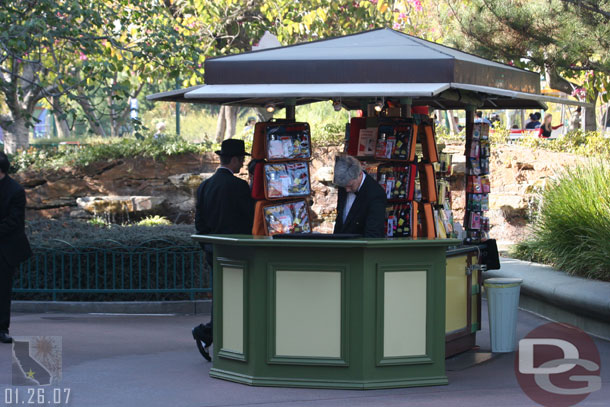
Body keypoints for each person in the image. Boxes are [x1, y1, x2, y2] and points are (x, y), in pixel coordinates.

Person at [191, 139, 254, 361]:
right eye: (242, 159)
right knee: (236, 296)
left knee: (221, 295)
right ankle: (208, 332)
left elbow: (200, 223)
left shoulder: (205, 185)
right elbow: (250, 220)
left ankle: (210, 334)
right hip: (235, 251)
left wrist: (207, 247)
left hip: (213, 250)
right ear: (235, 159)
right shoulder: (238, 187)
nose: (243, 164)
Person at [0, 152, 32, 344]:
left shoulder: (15, 190)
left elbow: (14, 221)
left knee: (2, 291)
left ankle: (1, 329)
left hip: (5, 249)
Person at [333, 155, 386, 238]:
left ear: (359, 174)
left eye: (350, 186)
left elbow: (373, 234)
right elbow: (340, 220)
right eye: (344, 186)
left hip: (360, 247)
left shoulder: (375, 194)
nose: (347, 190)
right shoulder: (344, 184)